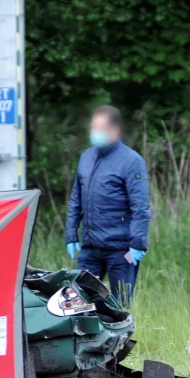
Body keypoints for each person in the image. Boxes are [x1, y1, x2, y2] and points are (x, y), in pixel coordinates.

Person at [64, 105, 150, 304]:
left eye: (101, 128)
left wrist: (137, 244)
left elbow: (140, 207)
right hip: (90, 247)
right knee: (78, 301)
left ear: (115, 130)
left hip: (122, 251)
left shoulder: (131, 161)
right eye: (94, 128)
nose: (96, 133)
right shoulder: (86, 157)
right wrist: (71, 235)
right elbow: (75, 199)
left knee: (121, 305)